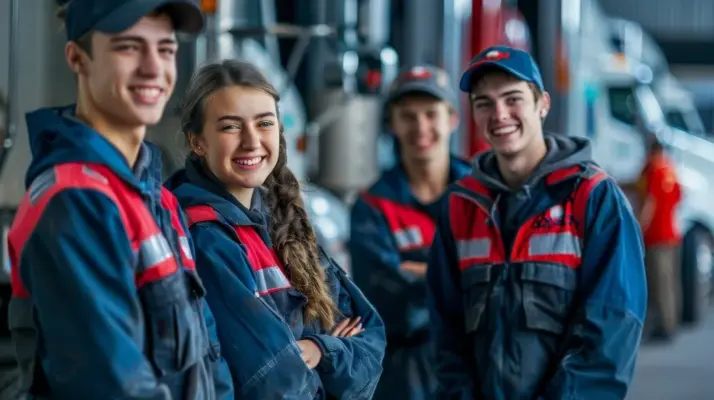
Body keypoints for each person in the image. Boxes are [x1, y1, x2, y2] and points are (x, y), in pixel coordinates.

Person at [6, 1, 234, 398]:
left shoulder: (159, 199)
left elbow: (205, 353)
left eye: (165, 49)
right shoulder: (76, 202)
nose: (153, 68)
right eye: (128, 47)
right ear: (77, 58)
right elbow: (115, 387)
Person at [426, 46, 647, 399]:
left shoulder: (593, 197)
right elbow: (445, 333)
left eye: (513, 99)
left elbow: (610, 330)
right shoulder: (460, 206)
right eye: (484, 103)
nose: (499, 114)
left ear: (542, 104)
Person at [164, 59, 386, 399]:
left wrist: (319, 350)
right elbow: (273, 382)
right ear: (198, 142)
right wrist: (333, 350)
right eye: (230, 127)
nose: (252, 141)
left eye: (264, 123)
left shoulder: (282, 219)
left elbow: (372, 335)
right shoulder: (204, 234)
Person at [349, 64, 470, 400]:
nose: (421, 127)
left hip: (475, 372)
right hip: (403, 382)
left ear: (452, 119)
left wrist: (420, 272)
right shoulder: (372, 206)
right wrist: (464, 274)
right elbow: (389, 303)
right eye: (408, 115)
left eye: (432, 114)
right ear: (393, 123)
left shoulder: (482, 196)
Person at [636, 135, 682, 341]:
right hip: (671, 233)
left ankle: (663, 326)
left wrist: (639, 226)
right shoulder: (669, 168)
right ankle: (670, 322)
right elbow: (679, 196)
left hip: (655, 236)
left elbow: (650, 201)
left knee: (657, 283)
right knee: (669, 281)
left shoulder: (652, 168)